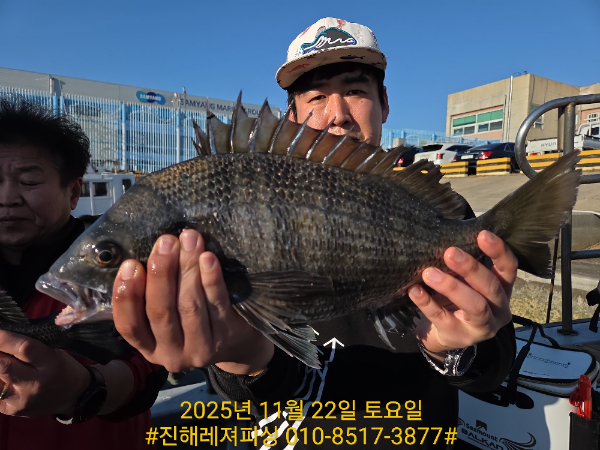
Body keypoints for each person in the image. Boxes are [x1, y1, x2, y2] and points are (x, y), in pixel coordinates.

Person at [112, 18, 516, 449]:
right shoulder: (246, 205)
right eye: (317, 96)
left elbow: (491, 372)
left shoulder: (441, 214)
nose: (338, 115)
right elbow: (242, 397)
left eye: (356, 91)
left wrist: (454, 350)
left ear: (384, 104)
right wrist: (242, 359)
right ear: (292, 116)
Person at [0, 97, 167, 450]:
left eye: (29, 181)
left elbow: (149, 368)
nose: (7, 197)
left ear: (74, 191)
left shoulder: (122, 259)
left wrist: (83, 389)